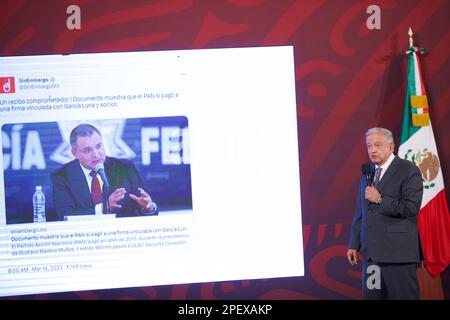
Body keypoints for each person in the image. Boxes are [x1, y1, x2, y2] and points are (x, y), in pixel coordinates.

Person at [347, 127, 423, 300]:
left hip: (398, 255)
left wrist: (381, 200)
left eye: (378, 145)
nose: (372, 150)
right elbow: (361, 211)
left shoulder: (409, 170)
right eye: (369, 146)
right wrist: (354, 243)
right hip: (371, 256)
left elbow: (411, 208)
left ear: (391, 146)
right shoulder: (368, 173)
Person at [51, 123, 158, 220]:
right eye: (88, 150)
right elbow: (65, 215)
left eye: (98, 146)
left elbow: (143, 207)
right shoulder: (61, 176)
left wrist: (149, 208)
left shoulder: (125, 167)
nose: (96, 154)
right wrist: (103, 208)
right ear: (74, 153)